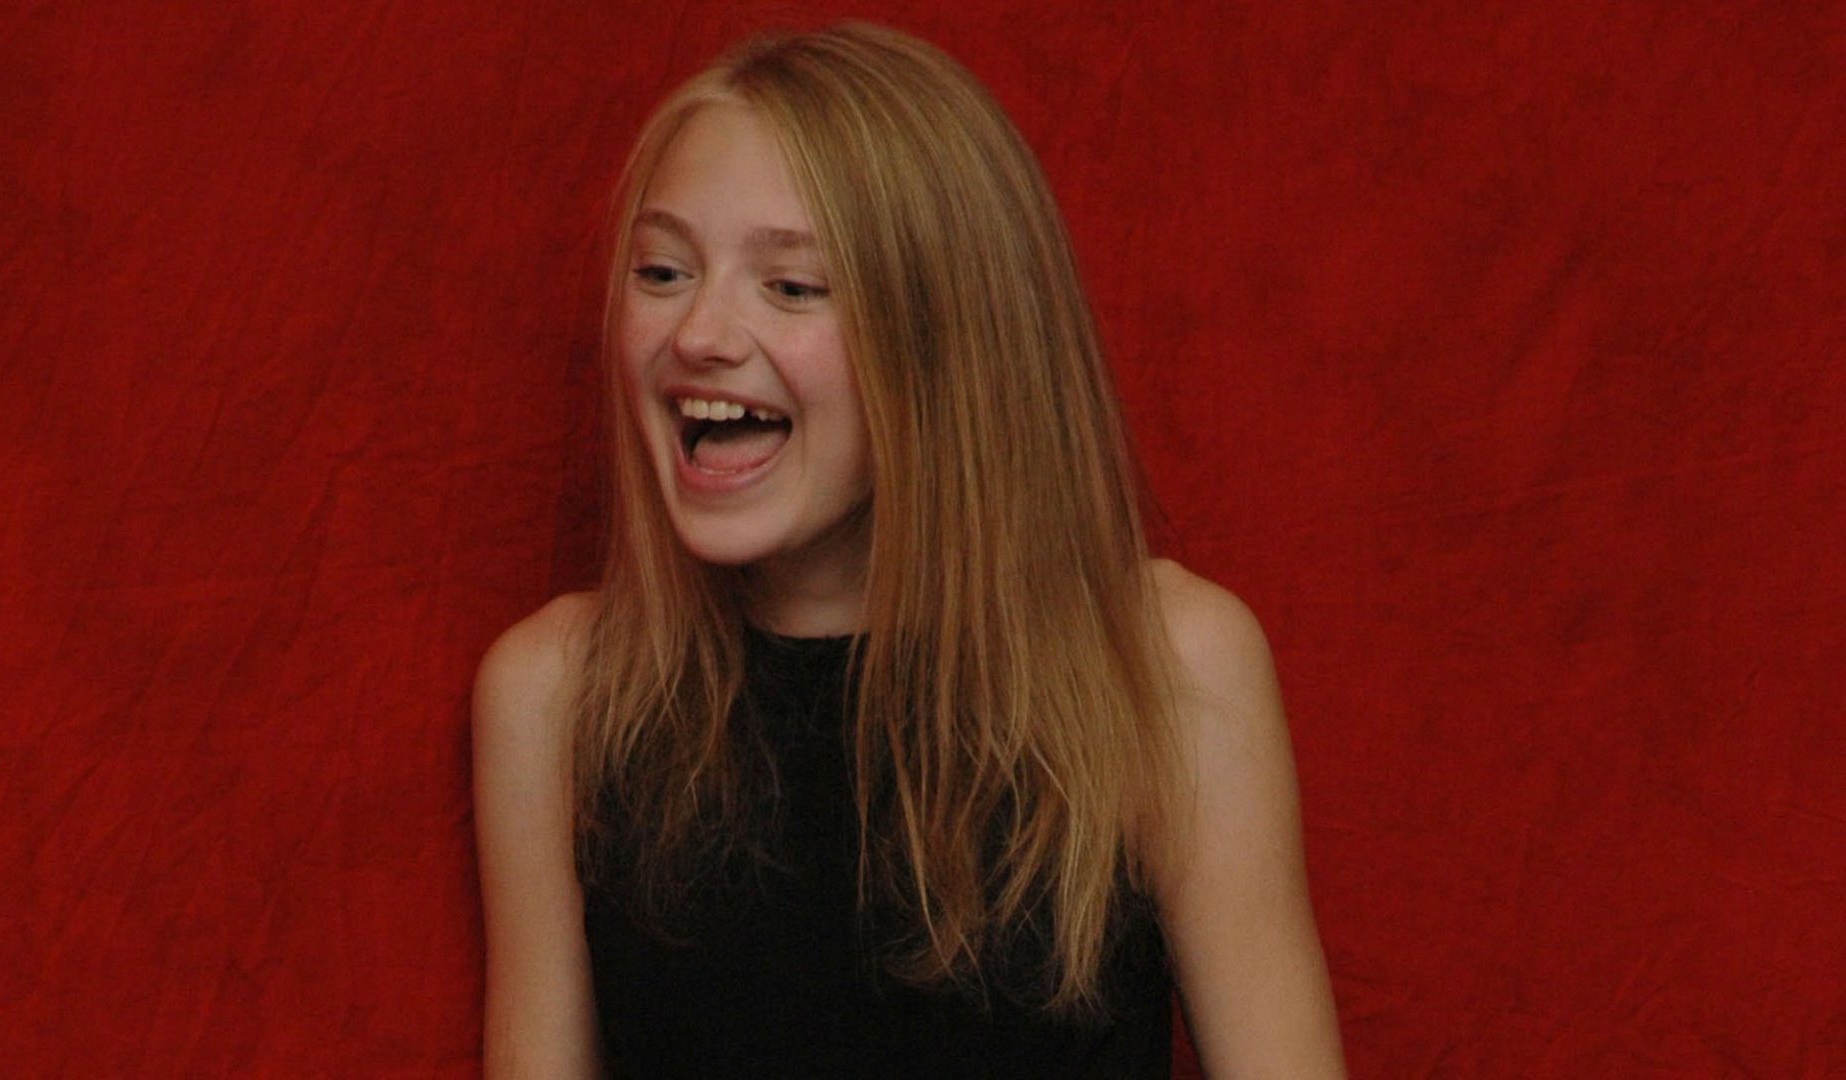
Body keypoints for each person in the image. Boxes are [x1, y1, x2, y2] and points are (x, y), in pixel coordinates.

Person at [473, 22, 1344, 1078]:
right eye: (663, 270)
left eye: (791, 287)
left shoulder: (1161, 662)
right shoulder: (560, 696)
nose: (698, 332)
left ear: (949, 344)